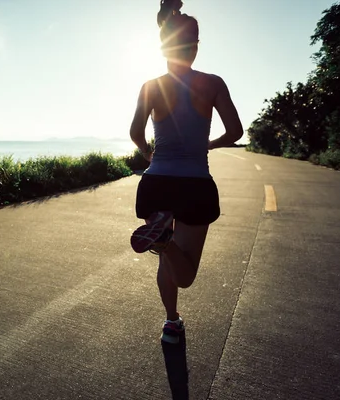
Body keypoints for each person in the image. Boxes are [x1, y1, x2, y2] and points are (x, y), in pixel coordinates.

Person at [129, 0, 243, 344]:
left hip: (156, 183)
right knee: (186, 272)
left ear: (164, 46)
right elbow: (236, 131)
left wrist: (150, 155)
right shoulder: (212, 83)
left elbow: (135, 132)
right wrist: (209, 145)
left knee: (166, 258)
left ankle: (171, 320)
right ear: (195, 47)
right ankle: (163, 242)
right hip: (194, 183)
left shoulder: (150, 85)